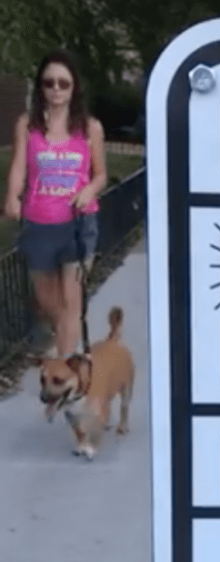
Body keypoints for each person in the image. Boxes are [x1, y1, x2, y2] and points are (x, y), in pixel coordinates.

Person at [3, 49, 107, 358]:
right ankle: (64, 349)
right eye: (49, 83)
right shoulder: (27, 125)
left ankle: (64, 366)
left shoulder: (90, 128)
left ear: (74, 87)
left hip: (78, 224)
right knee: (50, 304)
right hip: (39, 224)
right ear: (41, 87)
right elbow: (19, 166)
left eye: (64, 83)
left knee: (72, 304)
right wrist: (12, 196)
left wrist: (89, 191)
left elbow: (101, 175)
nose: (57, 90)